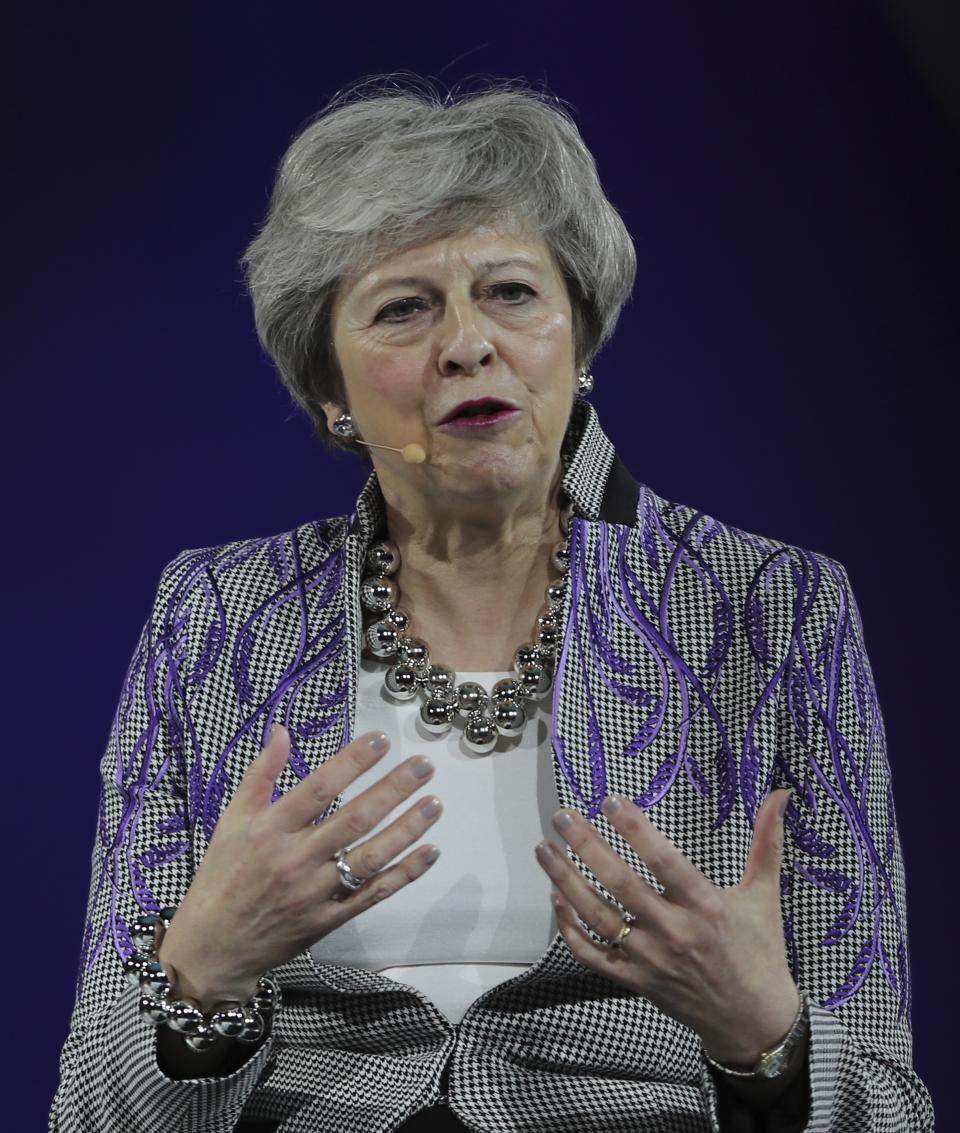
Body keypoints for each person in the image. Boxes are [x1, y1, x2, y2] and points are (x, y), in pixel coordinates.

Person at [51, 76, 934, 1133]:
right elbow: (92, 1111)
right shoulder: (217, 615)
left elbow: (887, 1108)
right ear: (332, 393)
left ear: (581, 340)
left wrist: (765, 1034)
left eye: (510, 292)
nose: (468, 342)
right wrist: (201, 978)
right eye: (403, 307)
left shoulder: (774, 609)